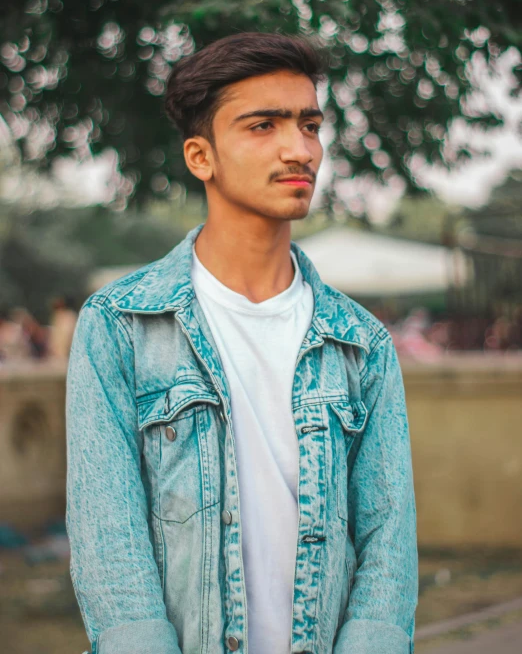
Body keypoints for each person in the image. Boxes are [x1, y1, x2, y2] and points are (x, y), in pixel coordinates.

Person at [66, 32, 418, 654]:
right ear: (201, 157)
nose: (299, 149)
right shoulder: (120, 324)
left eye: (310, 125)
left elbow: (389, 542)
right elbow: (107, 541)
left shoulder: (362, 343)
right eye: (264, 126)